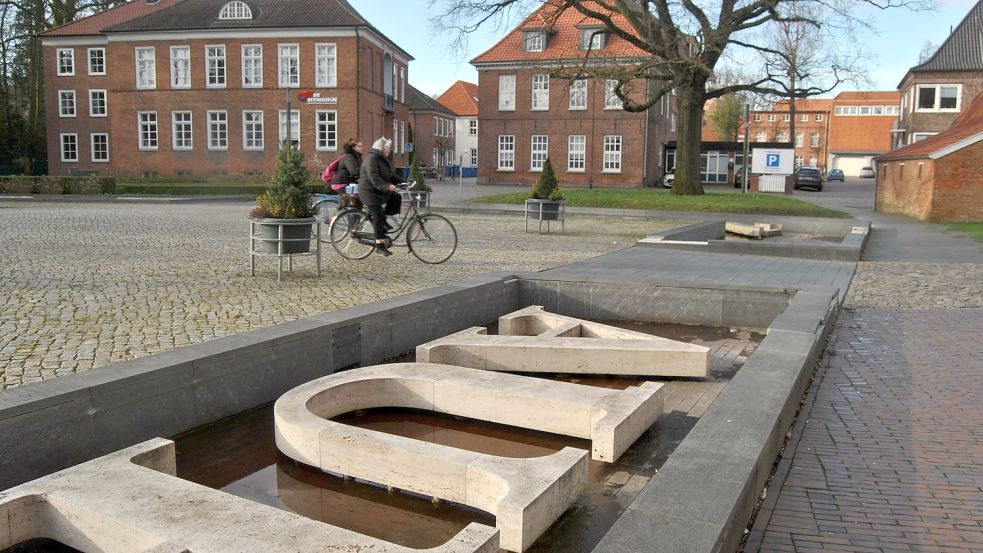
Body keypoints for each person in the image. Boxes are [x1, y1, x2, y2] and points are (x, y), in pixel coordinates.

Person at [359, 137, 402, 257]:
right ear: (381, 149)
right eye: (388, 148)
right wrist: (387, 186)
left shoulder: (382, 159)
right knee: (377, 217)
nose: (390, 150)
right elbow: (374, 177)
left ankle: (384, 220)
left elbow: (391, 175)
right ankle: (379, 245)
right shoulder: (371, 159)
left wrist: (405, 182)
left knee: (396, 197)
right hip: (369, 192)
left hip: (378, 191)